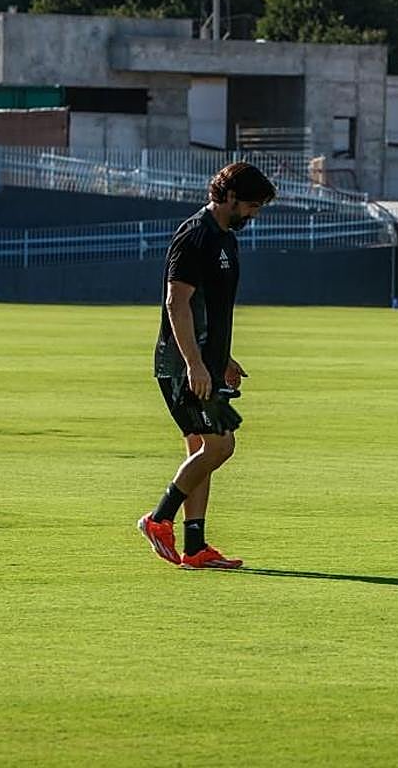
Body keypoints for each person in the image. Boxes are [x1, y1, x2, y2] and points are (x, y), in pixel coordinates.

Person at [138, 162, 276, 570]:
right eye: (251, 205)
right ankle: (159, 518)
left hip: (205, 362)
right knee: (220, 444)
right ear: (230, 196)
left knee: (201, 449)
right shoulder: (195, 236)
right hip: (182, 364)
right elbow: (176, 303)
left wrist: (222, 358)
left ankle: (195, 546)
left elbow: (209, 310)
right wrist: (195, 364)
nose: (254, 215)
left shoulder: (227, 240)